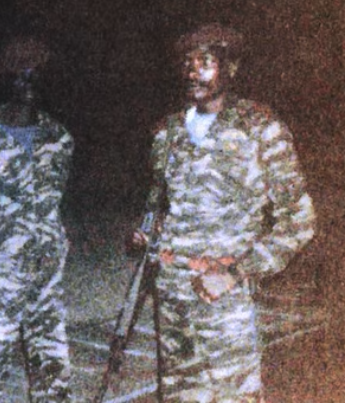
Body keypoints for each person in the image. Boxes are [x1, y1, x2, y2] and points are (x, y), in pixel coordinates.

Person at [129, 23, 316, 402]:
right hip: (172, 301)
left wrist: (234, 274)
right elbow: (160, 204)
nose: (192, 71)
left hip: (225, 305)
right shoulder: (167, 132)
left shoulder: (260, 128)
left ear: (230, 68)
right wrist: (148, 233)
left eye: (206, 62)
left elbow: (299, 221)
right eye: (187, 63)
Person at [0, 36, 74, 402]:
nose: (29, 84)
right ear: (6, 80)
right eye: (21, 75)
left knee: (53, 376)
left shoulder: (59, 138)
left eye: (36, 75)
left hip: (46, 279)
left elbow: (56, 202)